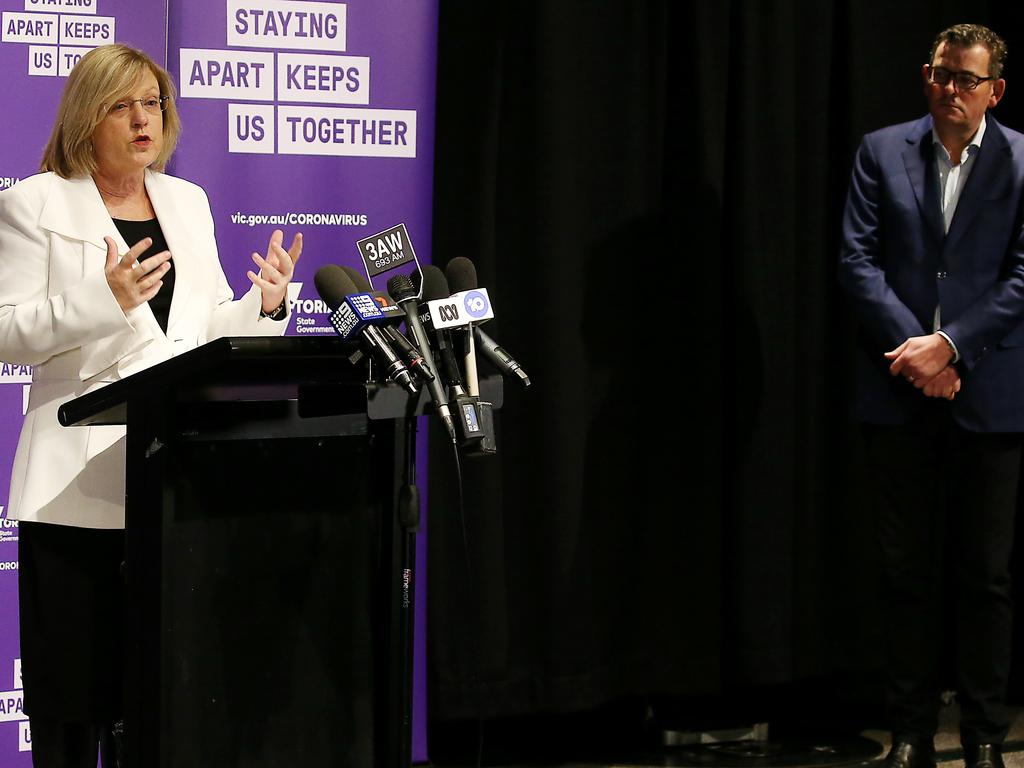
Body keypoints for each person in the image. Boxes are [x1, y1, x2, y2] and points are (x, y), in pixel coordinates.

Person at [0, 44, 302, 766]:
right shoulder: (32, 204)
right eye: (123, 105)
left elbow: (193, 335)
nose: (145, 120)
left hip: (172, 482)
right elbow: (7, 329)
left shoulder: (185, 202)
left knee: (161, 700)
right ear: (85, 116)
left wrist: (264, 306)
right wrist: (98, 301)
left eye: (155, 104)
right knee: (75, 703)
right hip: (75, 492)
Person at [839, 23, 1024, 768]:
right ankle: (911, 733)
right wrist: (918, 353)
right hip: (897, 388)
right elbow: (856, 259)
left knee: (985, 574)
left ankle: (982, 736)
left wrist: (951, 347)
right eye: (941, 74)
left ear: (995, 90)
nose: (950, 89)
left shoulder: (1021, 160)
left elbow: (1023, 273)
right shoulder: (882, 150)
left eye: (966, 79)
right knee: (904, 571)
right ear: (927, 75)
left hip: (991, 389)